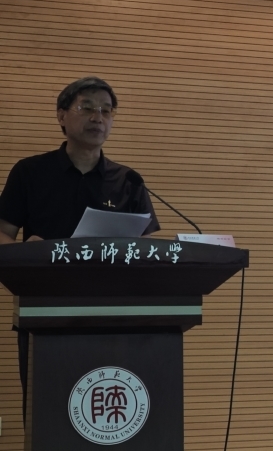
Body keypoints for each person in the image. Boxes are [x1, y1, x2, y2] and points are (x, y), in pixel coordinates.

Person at [0, 76, 160, 422]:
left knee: (111, 415)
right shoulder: (30, 172)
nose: (97, 117)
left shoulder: (128, 180)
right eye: (86, 107)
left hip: (117, 317)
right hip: (45, 313)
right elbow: (2, 234)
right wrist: (26, 256)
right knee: (49, 417)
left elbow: (146, 248)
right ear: (61, 115)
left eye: (106, 110)